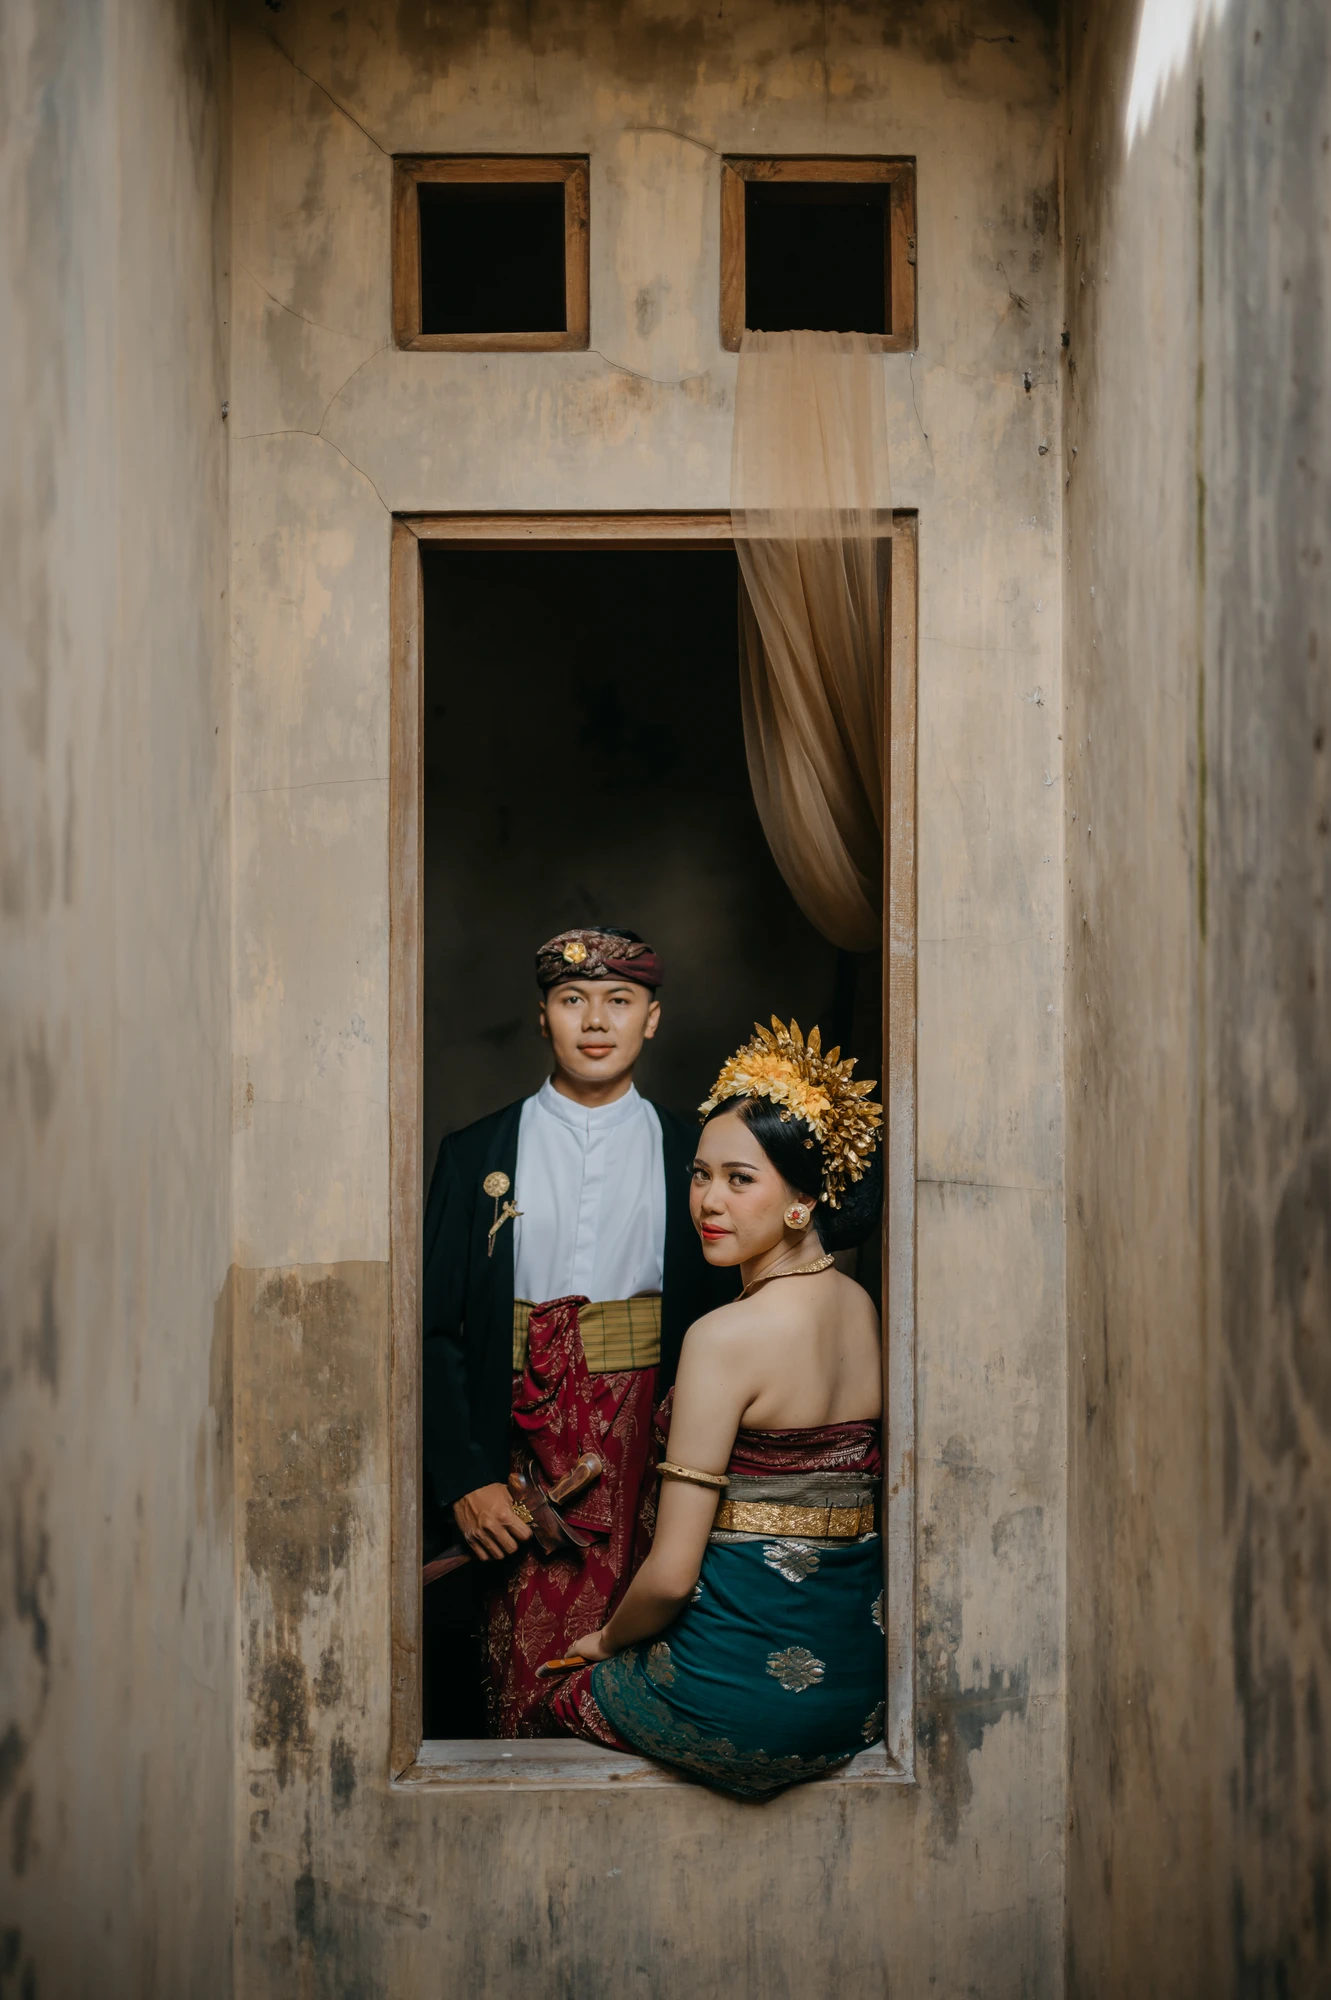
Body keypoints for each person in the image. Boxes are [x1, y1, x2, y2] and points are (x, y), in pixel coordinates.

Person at [546, 1016, 886, 1798]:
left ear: (803, 1197)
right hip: (856, 1696)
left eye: (740, 1179)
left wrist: (604, 1641)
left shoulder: (723, 1337)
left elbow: (670, 1578)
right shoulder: (861, 1306)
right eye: (700, 1174)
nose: (708, 1200)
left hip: (744, 1704)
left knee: (552, 1697)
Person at [421, 926, 736, 1736]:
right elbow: (434, 1330)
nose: (595, 1021)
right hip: (510, 1441)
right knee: (510, 1662)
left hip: (649, 1439)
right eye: (572, 1000)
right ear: (543, 1017)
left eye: (618, 1001)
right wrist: (464, 1477)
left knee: (644, 1654)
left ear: (651, 1019)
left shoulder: (696, 1155)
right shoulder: (472, 1155)